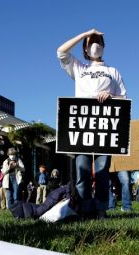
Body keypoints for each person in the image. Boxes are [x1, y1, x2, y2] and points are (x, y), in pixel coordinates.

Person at [57, 28, 127, 219]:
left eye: (98, 42)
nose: (95, 45)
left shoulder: (113, 71)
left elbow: (124, 99)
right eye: (90, 43)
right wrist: (84, 34)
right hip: (82, 127)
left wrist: (111, 96)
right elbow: (61, 51)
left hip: (105, 127)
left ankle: (101, 210)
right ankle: (84, 210)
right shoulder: (80, 68)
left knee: (103, 172)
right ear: (85, 50)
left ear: (104, 47)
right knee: (82, 171)